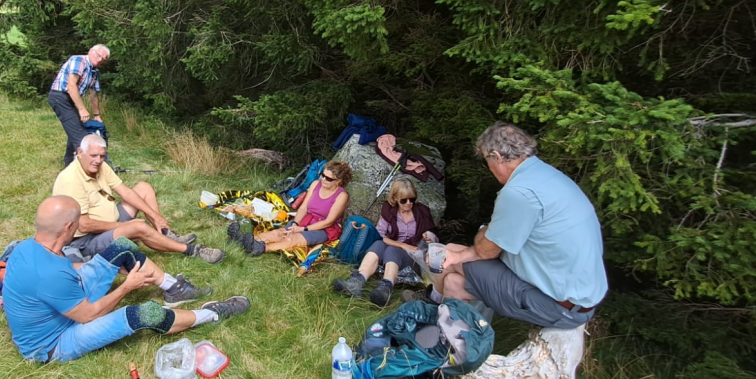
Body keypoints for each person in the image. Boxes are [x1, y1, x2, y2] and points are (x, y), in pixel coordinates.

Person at [403, 122, 607, 329]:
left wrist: (484, 233)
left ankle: (430, 306)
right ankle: (460, 340)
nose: (489, 168)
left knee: (446, 258)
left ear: (497, 156)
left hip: (558, 307)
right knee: (453, 282)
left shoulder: (519, 192)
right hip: (578, 299)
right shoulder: (546, 175)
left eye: (487, 161)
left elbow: (486, 250)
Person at [4, 196, 250, 362]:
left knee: (122, 246)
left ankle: (173, 288)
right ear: (69, 227)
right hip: (54, 343)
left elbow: (64, 273)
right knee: (145, 314)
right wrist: (126, 288)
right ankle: (212, 313)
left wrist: (106, 266)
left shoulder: (28, 248)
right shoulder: (50, 276)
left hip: (64, 305)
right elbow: (88, 315)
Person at [54, 134, 225, 264]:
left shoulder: (101, 166)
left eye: (102, 156)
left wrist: (155, 216)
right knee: (139, 226)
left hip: (109, 223)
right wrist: (124, 226)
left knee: (144, 188)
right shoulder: (71, 180)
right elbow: (84, 225)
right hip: (85, 241)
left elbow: (126, 192)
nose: (98, 160)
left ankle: (165, 233)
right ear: (80, 152)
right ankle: (192, 250)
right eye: (93, 156)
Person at [332, 178, 438, 307]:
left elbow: (433, 236)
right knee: (378, 244)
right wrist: (401, 244)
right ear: (395, 198)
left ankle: (385, 289)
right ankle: (356, 282)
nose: (409, 203)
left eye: (412, 199)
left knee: (392, 250)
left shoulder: (422, 211)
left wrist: (429, 236)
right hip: (394, 249)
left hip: (413, 256)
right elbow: (381, 234)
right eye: (404, 200)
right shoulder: (389, 210)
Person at [227, 161, 352, 256]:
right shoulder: (316, 184)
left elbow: (328, 222)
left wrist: (302, 229)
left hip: (324, 229)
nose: (323, 179)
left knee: (292, 238)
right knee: (280, 232)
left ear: (338, 181)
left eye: (328, 178)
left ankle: (259, 248)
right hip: (307, 219)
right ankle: (244, 240)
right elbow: (303, 208)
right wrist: (295, 224)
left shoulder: (342, 196)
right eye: (322, 175)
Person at [49, 44, 110, 166]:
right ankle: (93, 167)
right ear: (91, 51)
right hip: (60, 97)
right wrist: (82, 109)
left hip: (71, 100)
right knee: (80, 136)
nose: (99, 60)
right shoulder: (79, 60)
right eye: (98, 56)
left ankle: (69, 163)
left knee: (75, 129)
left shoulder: (94, 72)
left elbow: (93, 94)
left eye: (103, 59)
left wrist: (97, 115)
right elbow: (71, 85)